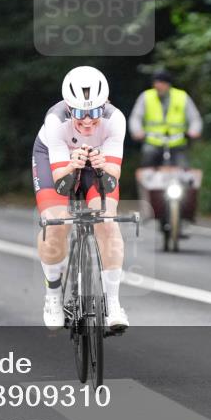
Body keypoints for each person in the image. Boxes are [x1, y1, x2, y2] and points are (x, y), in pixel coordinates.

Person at [32, 66, 128, 332]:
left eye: (95, 112)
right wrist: (72, 166)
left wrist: (102, 166)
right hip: (57, 162)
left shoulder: (115, 120)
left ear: (105, 105)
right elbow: (62, 184)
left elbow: (112, 179)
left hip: (95, 164)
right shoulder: (55, 120)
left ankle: (113, 303)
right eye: (80, 113)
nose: (87, 121)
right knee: (56, 222)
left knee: (107, 220)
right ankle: (53, 293)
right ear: (68, 107)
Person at [128, 69, 202, 167]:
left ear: (168, 84)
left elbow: (194, 118)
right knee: (147, 163)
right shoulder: (146, 96)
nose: (158, 86)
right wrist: (137, 131)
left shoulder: (182, 96)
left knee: (183, 168)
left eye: (162, 83)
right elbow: (136, 117)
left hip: (177, 142)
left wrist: (194, 130)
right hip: (153, 142)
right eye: (156, 82)